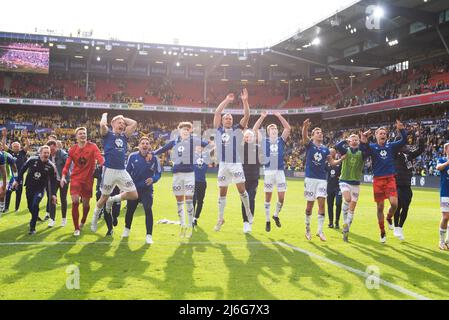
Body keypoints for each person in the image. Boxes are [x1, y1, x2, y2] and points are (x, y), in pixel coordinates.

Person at [153, 122, 210, 237]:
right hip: (177, 174)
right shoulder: (174, 141)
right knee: (179, 201)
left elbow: (207, 144)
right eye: (183, 129)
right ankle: (183, 225)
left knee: (189, 200)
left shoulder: (193, 140)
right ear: (179, 130)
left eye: (187, 129)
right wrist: (152, 153)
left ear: (190, 131)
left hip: (189, 174)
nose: (185, 130)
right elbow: (163, 149)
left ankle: (190, 225)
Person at [91, 113, 138, 236]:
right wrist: (104, 116)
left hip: (122, 171)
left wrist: (123, 117)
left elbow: (134, 123)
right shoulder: (107, 135)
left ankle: (113, 200)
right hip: (109, 171)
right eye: (119, 123)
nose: (122, 125)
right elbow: (102, 124)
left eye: (123, 124)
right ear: (112, 124)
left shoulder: (124, 136)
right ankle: (95, 217)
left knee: (133, 195)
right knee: (103, 198)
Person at [213, 88, 253, 232]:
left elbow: (247, 115)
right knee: (222, 192)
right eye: (226, 118)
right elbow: (217, 112)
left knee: (241, 190)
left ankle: (248, 212)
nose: (228, 119)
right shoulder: (218, 129)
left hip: (235, 163)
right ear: (222, 121)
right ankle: (220, 218)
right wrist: (227, 100)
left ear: (232, 121)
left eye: (230, 118)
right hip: (223, 164)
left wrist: (245, 101)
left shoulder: (237, 129)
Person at [361, 120, 407, 243]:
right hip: (378, 180)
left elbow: (404, 141)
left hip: (390, 179)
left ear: (386, 136)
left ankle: (389, 217)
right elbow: (363, 151)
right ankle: (382, 231)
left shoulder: (391, 146)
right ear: (376, 136)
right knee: (380, 207)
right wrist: (363, 140)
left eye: (384, 133)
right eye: (380, 133)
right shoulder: (372, 147)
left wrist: (402, 130)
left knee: (394, 204)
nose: (382, 135)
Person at [302, 119, 343, 241]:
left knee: (321, 204)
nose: (320, 134)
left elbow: (332, 162)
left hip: (321, 180)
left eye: (321, 132)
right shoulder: (310, 145)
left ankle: (320, 231)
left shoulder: (326, 149)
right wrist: (305, 127)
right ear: (313, 135)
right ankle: (307, 229)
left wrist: (341, 159)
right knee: (309, 206)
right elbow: (304, 136)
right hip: (310, 179)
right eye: (318, 132)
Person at [61, 127, 104, 236]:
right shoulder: (72, 149)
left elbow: (99, 158)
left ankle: (83, 220)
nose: (82, 135)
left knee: (86, 204)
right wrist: (63, 176)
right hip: (75, 178)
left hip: (88, 179)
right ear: (76, 137)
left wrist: (104, 165)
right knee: (75, 201)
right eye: (80, 133)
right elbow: (67, 165)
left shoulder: (93, 146)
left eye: (84, 133)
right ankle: (76, 228)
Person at [253, 111, 291, 232]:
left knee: (281, 198)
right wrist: (262, 117)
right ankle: (268, 220)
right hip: (269, 172)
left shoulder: (281, 140)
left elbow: (287, 128)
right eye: (271, 129)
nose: (274, 130)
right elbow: (255, 129)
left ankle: (275, 215)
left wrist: (279, 116)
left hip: (280, 172)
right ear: (268, 132)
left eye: (275, 128)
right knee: (268, 197)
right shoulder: (264, 140)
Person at [122, 136, 162, 244]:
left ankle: (149, 235)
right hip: (133, 189)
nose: (145, 145)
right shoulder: (132, 156)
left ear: (149, 146)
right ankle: (127, 229)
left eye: (147, 143)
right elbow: (127, 172)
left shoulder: (154, 158)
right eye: (143, 143)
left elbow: (158, 173)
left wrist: (153, 179)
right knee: (130, 210)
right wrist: (125, 187)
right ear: (139, 146)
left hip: (147, 190)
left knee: (148, 210)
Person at [13, 145, 57, 235]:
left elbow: (53, 181)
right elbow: (22, 170)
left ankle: (32, 227)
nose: (46, 154)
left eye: (48, 153)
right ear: (40, 153)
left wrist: (53, 194)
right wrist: (17, 181)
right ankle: (35, 215)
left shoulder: (51, 166)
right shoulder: (32, 160)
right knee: (30, 206)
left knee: (35, 204)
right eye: (44, 152)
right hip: (29, 187)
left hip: (40, 189)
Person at [335, 133, 369, 242]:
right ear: (349, 142)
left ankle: (346, 227)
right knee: (348, 199)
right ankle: (345, 220)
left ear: (359, 142)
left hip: (355, 183)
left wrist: (364, 140)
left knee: (352, 208)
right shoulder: (346, 151)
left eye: (356, 140)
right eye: (352, 140)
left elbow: (367, 151)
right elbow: (337, 146)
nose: (354, 141)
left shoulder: (361, 153)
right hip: (344, 180)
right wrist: (345, 140)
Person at [393, 127, 425, 240]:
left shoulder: (409, 154)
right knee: (398, 206)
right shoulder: (394, 154)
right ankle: (396, 227)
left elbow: (421, 149)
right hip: (397, 184)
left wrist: (419, 136)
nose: (405, 145)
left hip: (407, 184)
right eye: (402, 143)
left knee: (405, 207)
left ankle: (400, 227)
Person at [2, 128, 29, 212]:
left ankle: (16, 208)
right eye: (14, 146)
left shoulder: (22, 152)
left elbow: (28, 145)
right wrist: (4, 136)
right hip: (10, 176)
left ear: (20, 147)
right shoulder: (9, 152)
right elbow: (3, 145)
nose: (16, 147)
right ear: (12, 147)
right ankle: (6, 208)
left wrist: (26, 137)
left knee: (19, 193)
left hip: (20, 176)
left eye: (17, 146)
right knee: (8, 192)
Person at [240, 129, 262, 233]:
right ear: (244, 138)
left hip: (254, 178)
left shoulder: (258, 148)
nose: (249, 138)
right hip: (243, 178)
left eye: (250, 136)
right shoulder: (241, 147)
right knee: (244, 200)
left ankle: (249, 221)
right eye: (246, 136)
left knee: (252, 198)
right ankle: (245, 222)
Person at [45, 140, 69, 227]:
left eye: (52, 149)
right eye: (50, 150)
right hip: (53, 181)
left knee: (63, 199)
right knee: (52, 198)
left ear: (56, 147)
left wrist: (63, 177)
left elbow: (67, 165)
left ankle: (64, 219)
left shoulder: (63, 154)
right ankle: (52, 220)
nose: (51, 152)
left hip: (64, 179)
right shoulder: (48, 155)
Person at [192, 143, 214, 227]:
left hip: (203, 182)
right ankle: (191, 217)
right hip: (193, 181)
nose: (199, 148)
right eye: (198, 146)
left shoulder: (206, 156)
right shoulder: (192, 155)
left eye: (201, 147)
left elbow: (213, 149)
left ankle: (195, 218)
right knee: (193, 199)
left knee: (200, 201)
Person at [436, 142, 449, 250]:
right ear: (446, 150)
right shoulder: (442, 160)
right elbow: (438, 167)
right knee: (445, 217)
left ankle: (447, 242)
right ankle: (441, 241)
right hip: (445, 193)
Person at [326, 148, 342, 229]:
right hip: (329, 186)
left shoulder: (340, 162)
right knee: (330, 205)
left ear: (335, 153)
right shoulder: (326, 163)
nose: (331, 154)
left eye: (333, 152)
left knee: (338, 203)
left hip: (338, 186)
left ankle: (337, 221)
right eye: (330, 152)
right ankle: (331, 222)